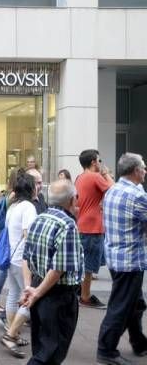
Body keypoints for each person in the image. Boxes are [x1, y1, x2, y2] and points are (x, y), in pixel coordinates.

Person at [21, 179, 84, 365]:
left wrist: (29, 288)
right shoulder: (68, 225)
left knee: (41, 346)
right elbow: (58, 268)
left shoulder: (39, 218)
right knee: (50, 353)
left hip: (38, 287)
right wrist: (36, 292)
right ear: (72, 200)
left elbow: (25, 256)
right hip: (58, 294)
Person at [96, 153, 147, 365]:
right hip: (130, 260)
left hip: (116, 257)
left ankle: (139, 342)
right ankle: (106, 350)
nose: (145, 171)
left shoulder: (113, 190)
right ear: (135, 171)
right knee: (120, 306)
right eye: (143, 167)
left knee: (134, 304)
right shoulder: (137, 196)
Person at [0, 173, 37, 359]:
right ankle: (11, 335)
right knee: (30, 298)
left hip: (11, 258)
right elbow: (28, 235)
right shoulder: (28, 207)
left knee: (14, 293)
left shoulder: (13, 206)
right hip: (23, 259)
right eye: (36, 184)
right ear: (30, 189)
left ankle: (13, 331)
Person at [75, 149, 114, 309]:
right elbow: (114, 190)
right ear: (92, 162)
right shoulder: (96, 176)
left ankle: (81, 293)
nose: (100, 163)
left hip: (82, 224)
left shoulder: (80, 177)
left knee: (84, 263)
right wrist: (106, 174)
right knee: (89, 266)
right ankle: (85, 297)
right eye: (99, 160)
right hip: (93, 227)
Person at [0, 168, 25, 313]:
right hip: (10, 235)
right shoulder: (14, 195)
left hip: (5, 233)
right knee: (5, 268)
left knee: (4, 268)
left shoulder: (9, 193)